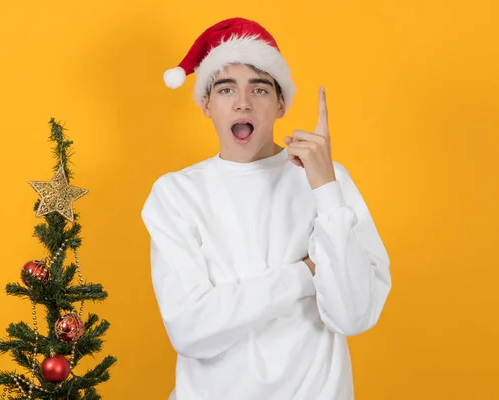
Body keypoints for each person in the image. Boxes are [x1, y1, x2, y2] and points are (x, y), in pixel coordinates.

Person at [141, 17, 391, 400]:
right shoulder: (176, 194)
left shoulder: (327, 180)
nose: (242, 102)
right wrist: (306, 274)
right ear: (206, 104)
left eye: (259, 89)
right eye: (226, 89)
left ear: (281, 104)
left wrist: (325, 188)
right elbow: (191, 329)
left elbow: (354, 315)